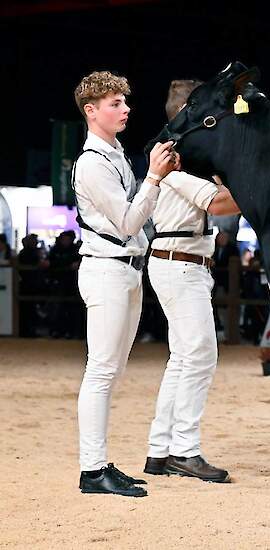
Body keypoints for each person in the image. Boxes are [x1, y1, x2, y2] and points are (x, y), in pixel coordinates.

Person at [72, 70, 177, 497]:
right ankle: (92, 470)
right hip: (107, 269)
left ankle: (98, 465)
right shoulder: (92, 162)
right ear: (91, 111)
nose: (125, 109)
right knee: (100, 372)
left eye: (124, 102)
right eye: (115, 103)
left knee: (109, 373)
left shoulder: (114, 153)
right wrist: (153, 178)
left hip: (126, 270)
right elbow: (129, 221)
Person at [143, 79, 241, 483]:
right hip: (180, 263)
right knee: (200, 355)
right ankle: (185, 450)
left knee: (183, 359)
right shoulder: (169, 157)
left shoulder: (179, 156)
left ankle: (159, 450)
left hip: (182, 263)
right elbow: (218, 204)